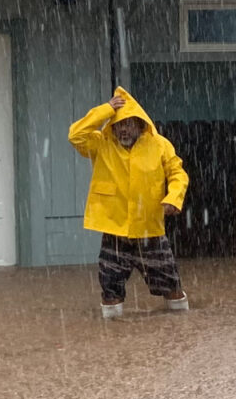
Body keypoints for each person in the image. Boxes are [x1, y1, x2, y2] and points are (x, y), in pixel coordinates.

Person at [68, 87, 190, 319]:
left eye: (128, 124)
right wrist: (105, 110)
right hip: (115, 229)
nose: (123, 129)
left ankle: (180, 324)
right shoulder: (101, 144)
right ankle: (113, 336)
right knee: (110, 288)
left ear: (140, 124)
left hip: (150, 229)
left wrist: (174, 198)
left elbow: (178, 174)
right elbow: (75, 135)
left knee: (172, 287)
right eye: (118, 124)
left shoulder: (159, 144)